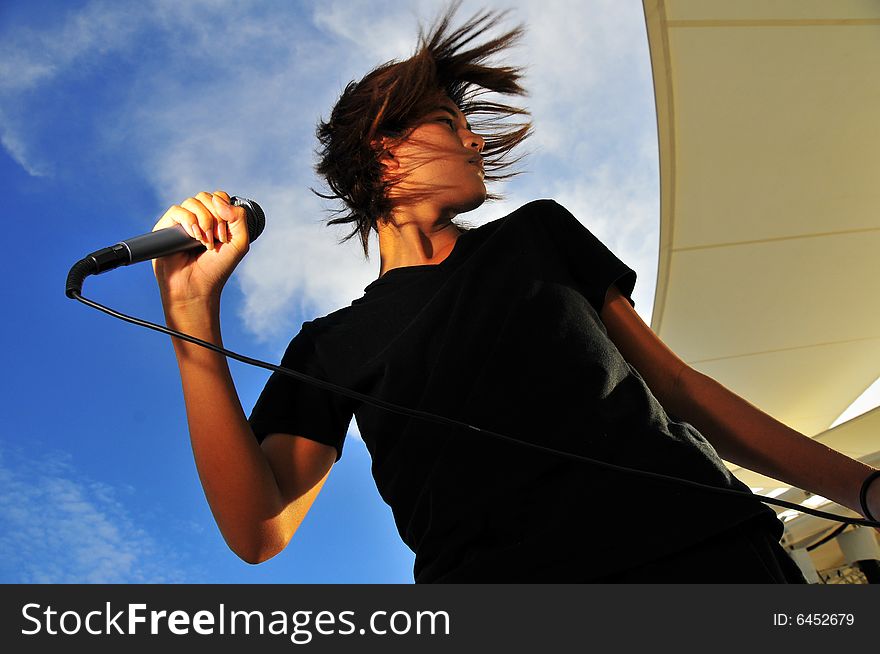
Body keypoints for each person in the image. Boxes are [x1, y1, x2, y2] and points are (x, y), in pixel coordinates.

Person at [151, 2, 879, 583]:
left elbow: (681, 390)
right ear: (383, 146)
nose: (473, 143)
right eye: (449, 124)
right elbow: (259, 529)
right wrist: (191, 315)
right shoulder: (327, 346)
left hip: (711, 561)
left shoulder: (537, 234)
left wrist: (866, 492)